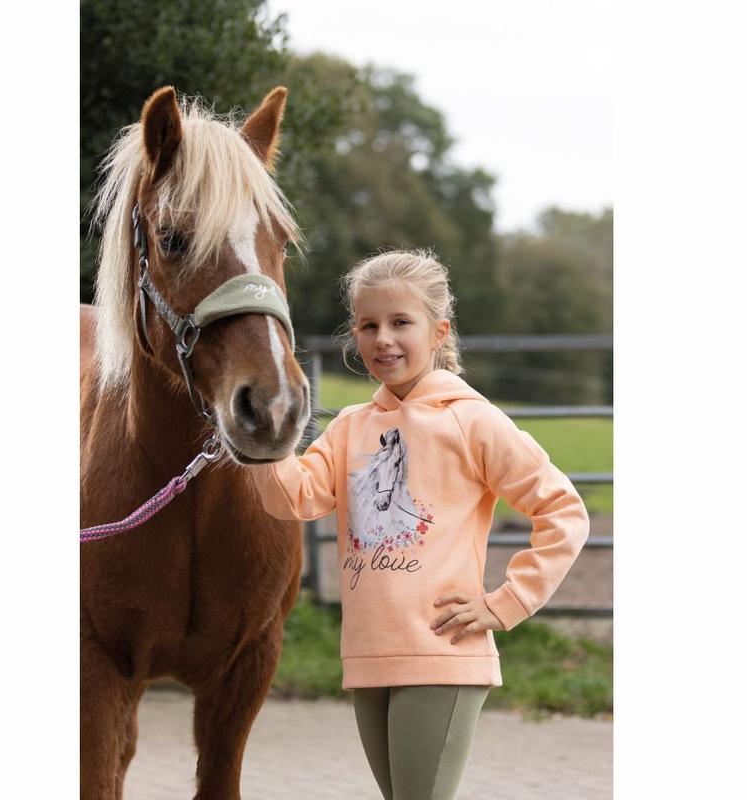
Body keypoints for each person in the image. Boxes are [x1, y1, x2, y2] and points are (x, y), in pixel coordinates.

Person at [248, 249, 590, 800]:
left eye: (400, 322)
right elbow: (296, 499)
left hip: (442, 655)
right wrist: (266, 441)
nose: (383, 339)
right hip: (368, 655)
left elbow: (563, 511)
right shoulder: (351, 427)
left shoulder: (473, 421)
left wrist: (507, 602)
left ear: (439, 332)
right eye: (368, 325)